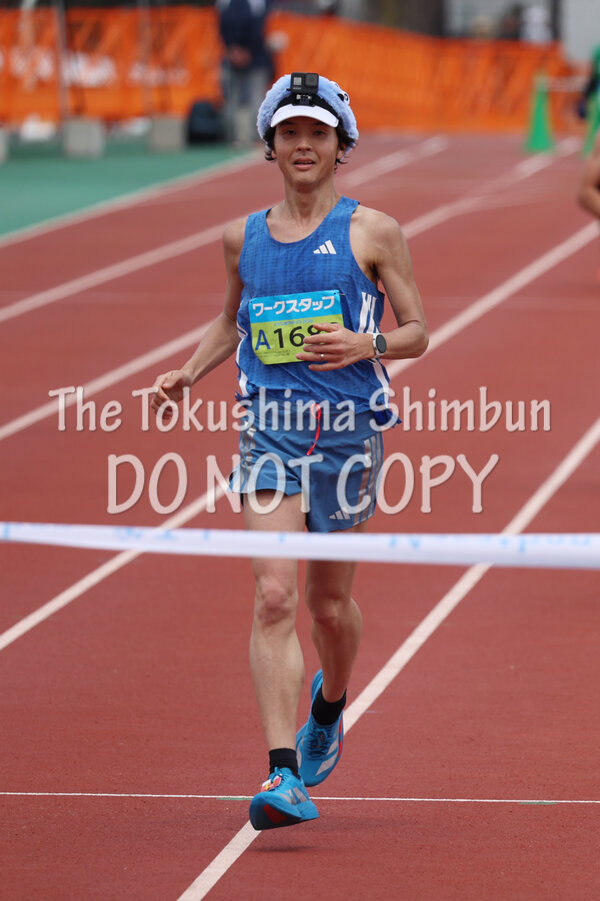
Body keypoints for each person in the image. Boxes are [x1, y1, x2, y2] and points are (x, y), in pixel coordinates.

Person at [151, 72, 428, 830]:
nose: (304, 145)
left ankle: (328, 707)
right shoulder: (240, 237)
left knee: (327, 607)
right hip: (267, 430)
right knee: (273, 596)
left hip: (348, 435)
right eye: (290, 133)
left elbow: (417, 330)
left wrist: (367, 344)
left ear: (341, 145)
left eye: (318, 133)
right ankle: (282, 773)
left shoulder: (373, 231)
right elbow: (231, 320)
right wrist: (189, 371)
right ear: (270, 145)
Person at [217, 0, 274, 147]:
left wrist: (242, 51)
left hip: (255, 56)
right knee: (234, 98)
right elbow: (223, 26)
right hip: (236, 57)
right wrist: (233, 49)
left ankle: (256, 136)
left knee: (254, 98)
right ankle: (236, 137)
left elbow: (258, 28)